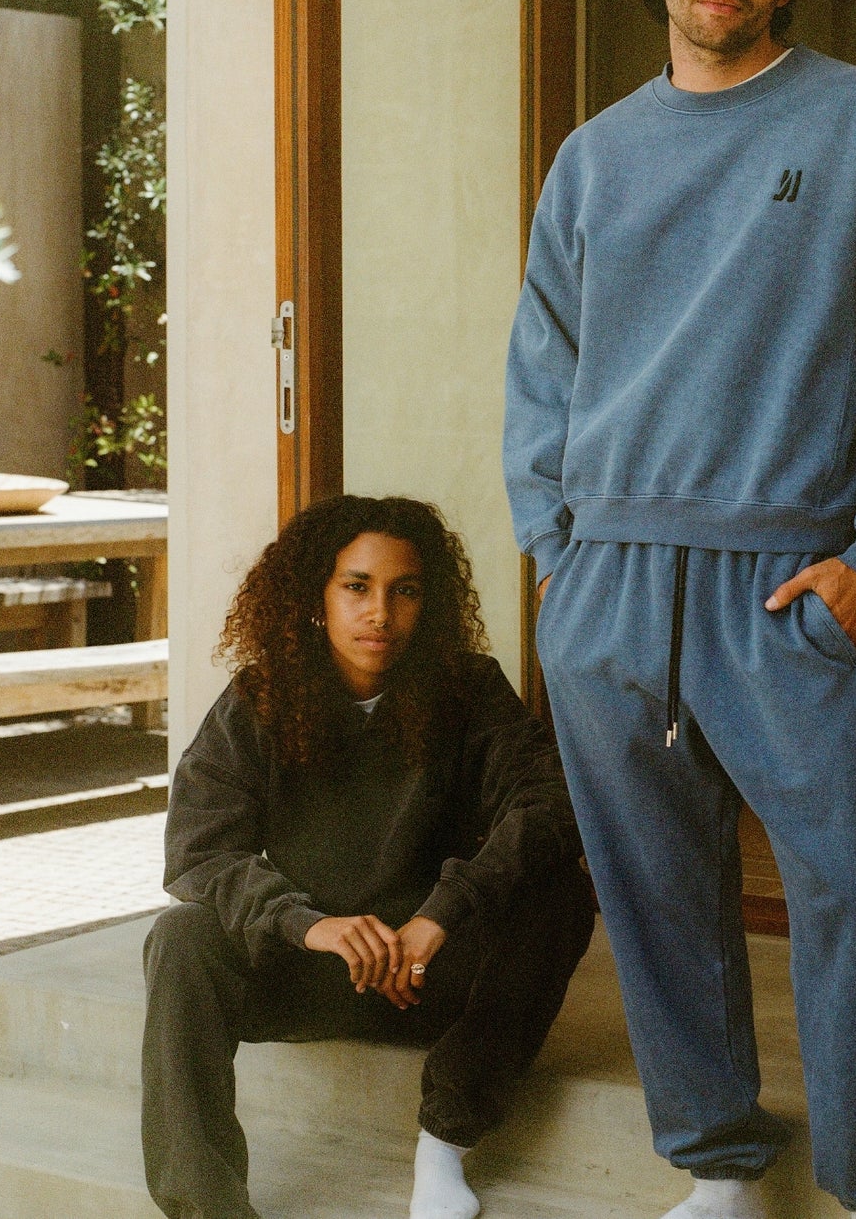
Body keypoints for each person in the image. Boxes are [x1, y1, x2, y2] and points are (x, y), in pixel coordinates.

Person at [504, 0, 856, 1219]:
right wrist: (558, 556)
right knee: (652, 892)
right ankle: (713, 1161)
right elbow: (542, 366)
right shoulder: (594, 158)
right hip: (608, 581)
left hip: (785, 580)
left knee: (842, 886)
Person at [141, 495, 594, 1219]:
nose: (379, 611)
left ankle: (442, 1144)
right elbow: (197, 851)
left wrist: (441, 914)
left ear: (428, 601)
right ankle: (208, 1208)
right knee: (181, 936)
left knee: (560, 895)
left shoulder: (467, 688)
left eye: (403, 589)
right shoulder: (259, 699)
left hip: (425, 974)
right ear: (316, 596)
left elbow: (550, 799)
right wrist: (304, 922)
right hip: (307, 969)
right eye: (356, 586)